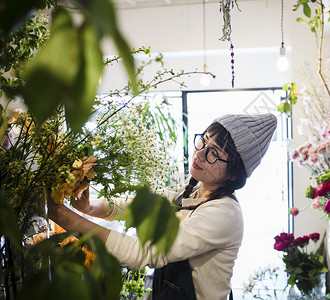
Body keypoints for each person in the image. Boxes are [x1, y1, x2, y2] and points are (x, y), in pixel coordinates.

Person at [48, 113, 277, 300]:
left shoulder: (224, 214)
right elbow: (132, 208)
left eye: (214, 153)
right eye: (203, 141)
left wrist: (67, 218)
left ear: (233, 174)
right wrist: (88, 207)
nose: (200, 153)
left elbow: (144, 252)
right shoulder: (189, 193)